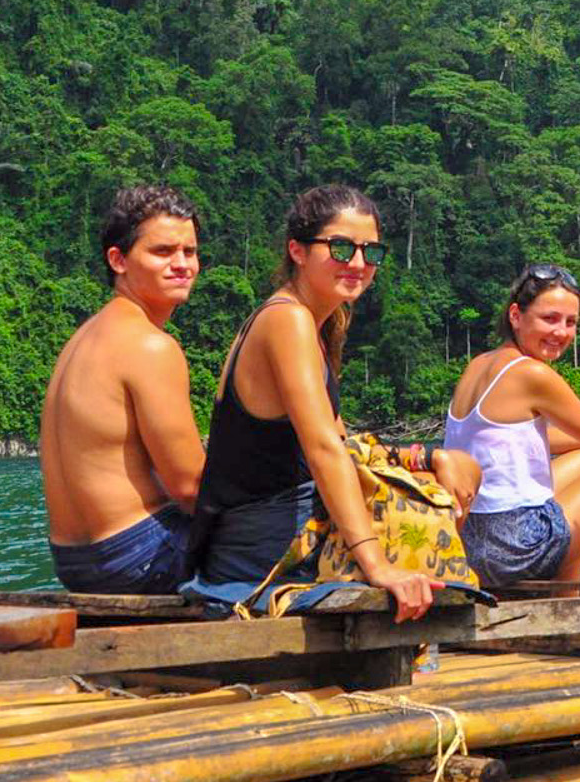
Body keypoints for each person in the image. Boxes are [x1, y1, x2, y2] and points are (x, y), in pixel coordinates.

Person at [187, 186, 453, 622]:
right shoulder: (287, 320)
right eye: (341, 247)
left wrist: (429, 456)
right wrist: (376, 565)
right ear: (297, 250)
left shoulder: (318, 323)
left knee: (440, 490)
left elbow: (343, 440)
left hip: (282, 537)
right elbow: (324, 449)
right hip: (269, 557)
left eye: (371, 252)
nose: (358, 263)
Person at [39, 185, 208, 594]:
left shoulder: (82, 340)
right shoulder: (150, 345)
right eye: (163, 252)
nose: (182, 264)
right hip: (141, 556)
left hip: (74, 562)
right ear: (118, 260)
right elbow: (190, 489)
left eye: (190, 252)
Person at [442, 264, 580, 586]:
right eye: (550, 319)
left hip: (471, 541)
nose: (562, 332)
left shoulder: (480, 364)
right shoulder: (532, 374)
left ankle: (564, 601)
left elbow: (508, 441)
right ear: (516, 316)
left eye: (571, 323)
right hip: (514, 546)